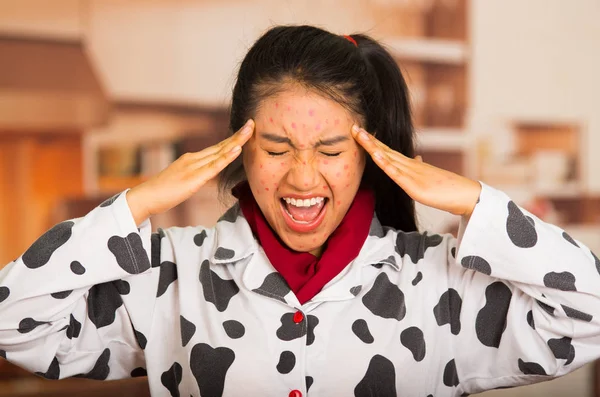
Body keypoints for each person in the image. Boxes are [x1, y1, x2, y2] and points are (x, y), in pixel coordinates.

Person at [0, 25, 599, 397]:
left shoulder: (438, 285)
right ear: (239, 146)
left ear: (370, 154)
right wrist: (137, 204)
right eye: (277, 148)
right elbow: (13, 325)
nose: (303, 177)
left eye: (332, 150)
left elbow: (589, 316)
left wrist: (472, 200)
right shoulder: (169, 277)